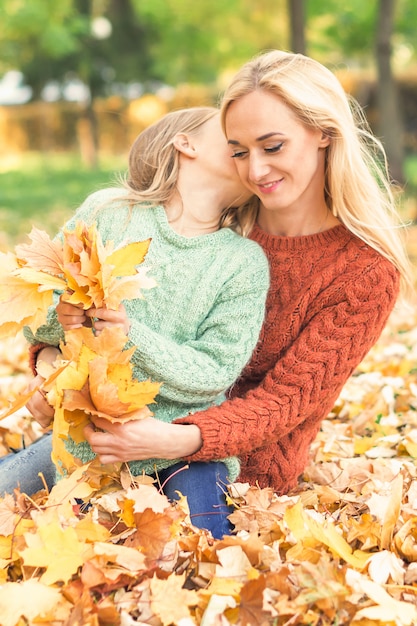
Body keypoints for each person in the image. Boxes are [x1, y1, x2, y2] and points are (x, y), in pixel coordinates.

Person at [3, 49, 414, 519]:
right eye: (238, 151)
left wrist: (174, 438)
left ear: (323, 132)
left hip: (235, 471)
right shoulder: (215, 222)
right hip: (112, 431)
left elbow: (283, 402)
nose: (255, 170)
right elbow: (98, 308)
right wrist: (50, 366)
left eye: (272, 146)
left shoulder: (364, 273)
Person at [0, 106, 270, 539]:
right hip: (89, 441)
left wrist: (130, 337)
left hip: (181, 445)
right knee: (60, 535)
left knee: (206, 539)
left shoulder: (243, 262)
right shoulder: (110, 214)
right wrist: (61, 317)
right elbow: (39, 314)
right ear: (186, 143)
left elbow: (216, 369)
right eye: (233, 139)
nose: (248, 150)